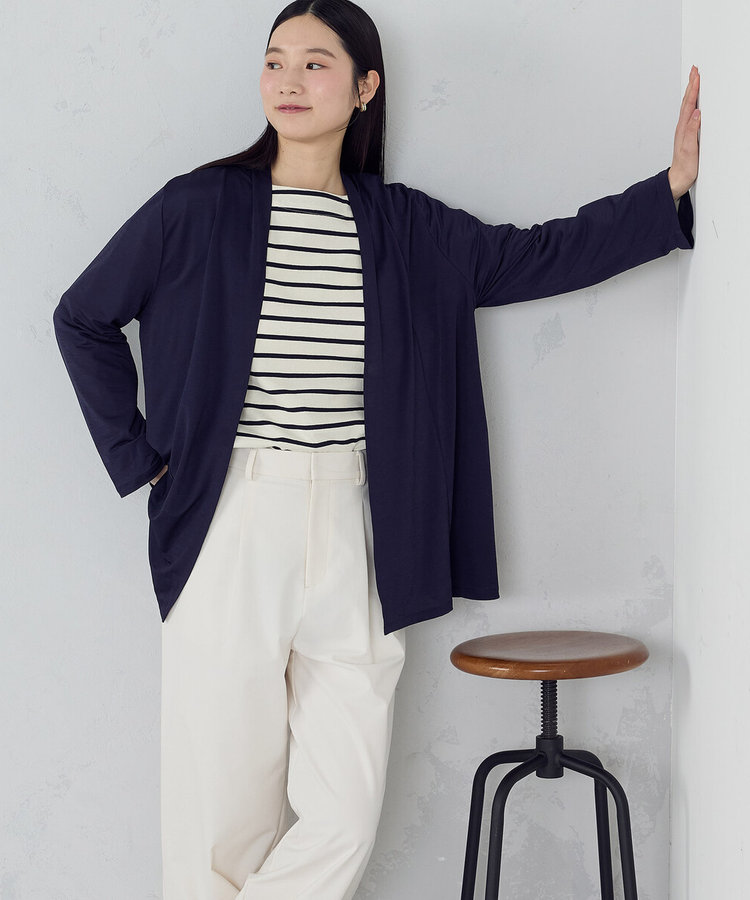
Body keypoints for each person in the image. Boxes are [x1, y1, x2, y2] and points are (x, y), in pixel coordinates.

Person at [53, 1, 700, 897]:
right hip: (229, 521)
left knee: (345, 816)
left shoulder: (406, 228)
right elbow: (82, 316)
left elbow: (536, 256)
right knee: (218, 821)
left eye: (315, 64)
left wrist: (668, 191)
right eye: (275, 60)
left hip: (360, 527)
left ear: (365, 88)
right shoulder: (197, 208)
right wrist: (141, 459)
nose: (288, 80)